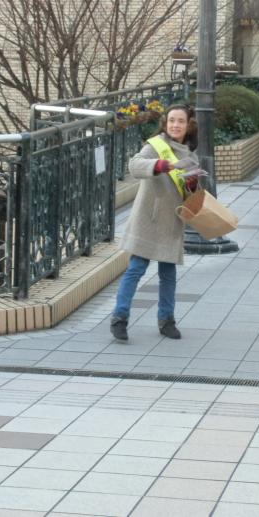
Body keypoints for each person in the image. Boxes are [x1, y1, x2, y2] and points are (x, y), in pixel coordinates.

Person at [110, 104, 199, 341]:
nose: (175, 125)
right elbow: (134, 165)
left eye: (180, 121)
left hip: (171, 222)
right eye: (171, 120)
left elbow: (193, 195)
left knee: (168, 273)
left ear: (188, 124)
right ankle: (119, 318)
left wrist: (192, 186)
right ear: (165, 123)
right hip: (148, 218)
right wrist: (157, 166)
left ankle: (166, 320)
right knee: (136, 268)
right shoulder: (155, 146)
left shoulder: (190, 155)